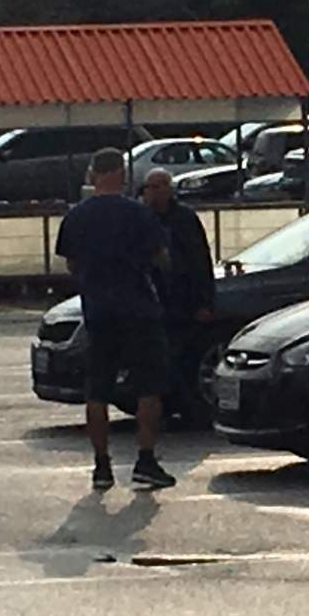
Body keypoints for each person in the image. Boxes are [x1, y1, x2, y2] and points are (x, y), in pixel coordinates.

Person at [55, 147, 177, 491]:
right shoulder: (139, 214)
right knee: (149, 386)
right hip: (139, 308)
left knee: (98, 389)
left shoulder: (76, 216)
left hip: (98, 310)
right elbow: (162, 258)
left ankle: (101, 465)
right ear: (122, 174)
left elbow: (71, 263)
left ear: (93, 174)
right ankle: (145, 460)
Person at [140, 168, 215, 420]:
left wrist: (204, 301)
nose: (154, 193)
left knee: (183, 356)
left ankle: (187, 408)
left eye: (159, 187)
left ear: (169, 190)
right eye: (150, 188)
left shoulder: (184, 218)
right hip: (151, 300)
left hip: (183, 299)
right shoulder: (141, 219)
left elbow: (200, 260)